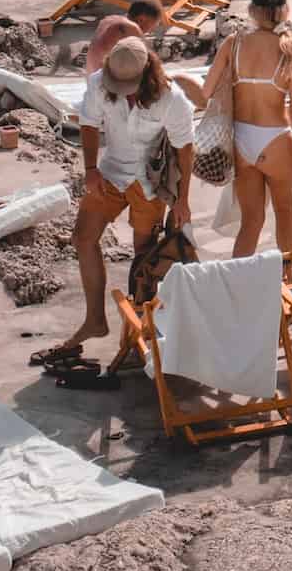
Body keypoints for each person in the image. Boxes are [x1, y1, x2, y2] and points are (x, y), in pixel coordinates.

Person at [35, 37, 194, 365]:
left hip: (149, 182)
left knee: (143, 260)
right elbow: (89, 124)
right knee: (83, 238)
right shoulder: (98, 84)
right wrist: (90, 168)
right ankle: (95, 319)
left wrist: (183, 200)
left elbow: (185, 147)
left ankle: (139, 331)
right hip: (109, 172)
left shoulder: (171, 98)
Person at [202, 0, 292, 258]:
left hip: (240, 140)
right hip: (275, 138)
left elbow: (206, 92)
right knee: (284, 211)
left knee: (251, 223)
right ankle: (287, 279)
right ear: (284, 10)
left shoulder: (234, 43)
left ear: (252, 9)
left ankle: (238, 284)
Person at [85, 0, 163, 75]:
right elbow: (152, 64)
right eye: (154, 25)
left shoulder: (108, 19)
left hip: (91, 81)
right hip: (104, 84)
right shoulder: (131, 28)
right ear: (141, 19)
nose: (151, 31)